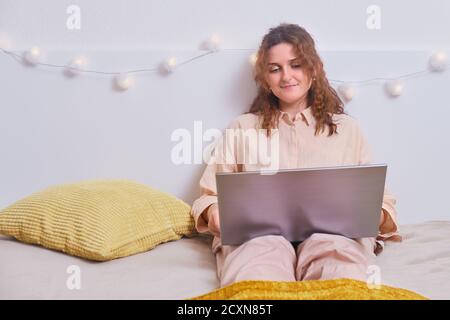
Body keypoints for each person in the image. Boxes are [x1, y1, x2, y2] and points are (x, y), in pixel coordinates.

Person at [191, 23, 401, 288]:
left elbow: (383, 202)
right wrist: (215, 212)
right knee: (259, 270)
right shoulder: (242, 127)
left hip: (334, 235)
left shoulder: (347, 129)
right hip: (259, 236)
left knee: (340, 266)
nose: (286, 76)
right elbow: (208, 197)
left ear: (313, 69)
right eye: (275, 69)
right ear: (265, 79)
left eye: (296, 65)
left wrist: (373, 215)